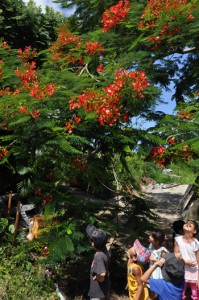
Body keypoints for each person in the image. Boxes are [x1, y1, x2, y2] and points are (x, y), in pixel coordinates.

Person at [174, 219, 199, 300]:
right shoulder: (178, 239)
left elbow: (198, 260)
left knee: (195, 295)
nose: (188, 223)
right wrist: (185, 261)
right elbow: (176, 254)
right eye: (187, 223)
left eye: (191, 224)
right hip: (181, 271)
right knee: (181, 293)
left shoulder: (196, 243)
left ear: (194, 231)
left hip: (194, 272)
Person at [86, 224, 111, 300]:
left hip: (98, 294)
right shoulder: (104, 251)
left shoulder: (98, 256)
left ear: (93, 243)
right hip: (104, 291)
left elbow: (102, 275)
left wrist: (96, 277)